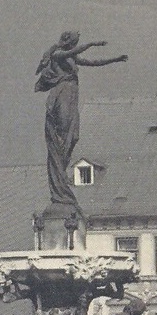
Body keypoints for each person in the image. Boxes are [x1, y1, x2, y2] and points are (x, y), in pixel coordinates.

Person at [35, 30, 128, 206]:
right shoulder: (58, 54)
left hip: (71, 94)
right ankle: (59, 183)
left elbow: (93, 62)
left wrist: (114, 59)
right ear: (69, 41)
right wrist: (92, 44)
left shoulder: (71, 57)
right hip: (61, 94)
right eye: (76, 42)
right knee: (62, 131)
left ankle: (61, 175)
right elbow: (72, 53)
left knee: (73, 136)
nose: (77, 45)